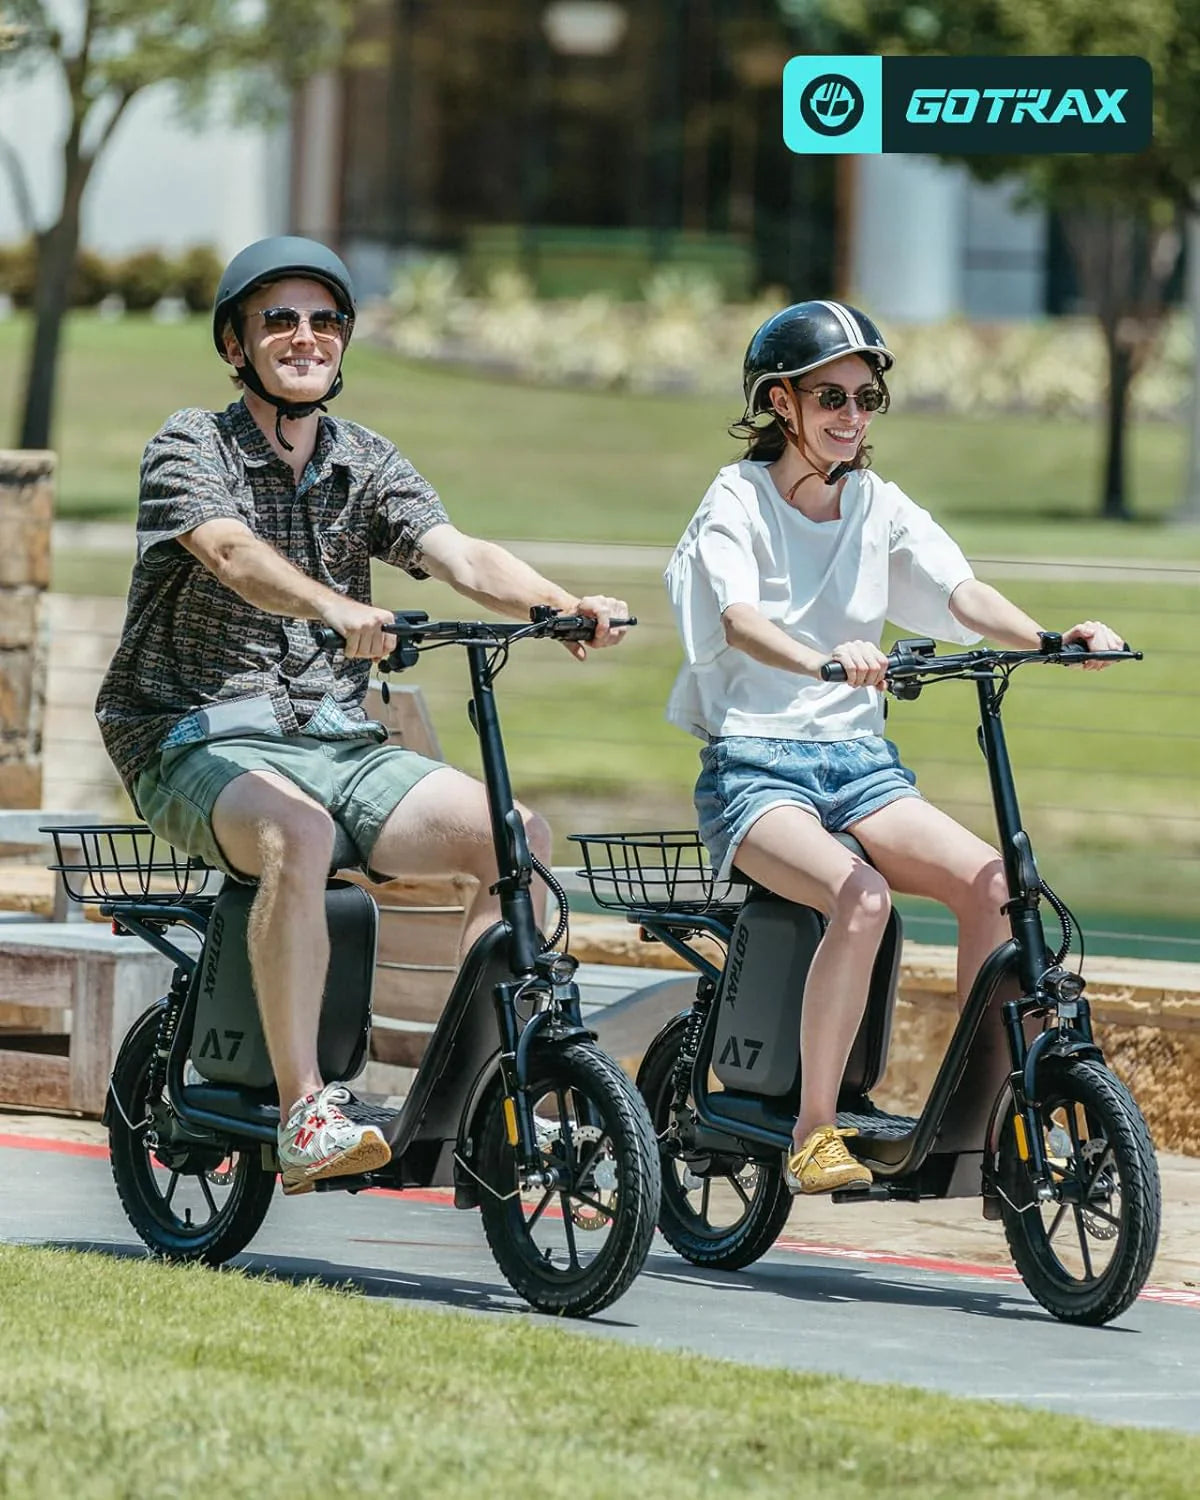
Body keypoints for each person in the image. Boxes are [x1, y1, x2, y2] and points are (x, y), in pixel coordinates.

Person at [96, 236, 628, 1195]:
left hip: (336, 738)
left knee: (520, 839)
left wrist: (559, 603)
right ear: (236, 344)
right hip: (190, 734)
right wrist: (334, 604)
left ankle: (481, 1094)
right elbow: (229, 554)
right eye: (281, 320)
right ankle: (305, 1110)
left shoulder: (364, 461)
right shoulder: (189, 444)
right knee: (298, 835)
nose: (307, 337)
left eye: (326, 320)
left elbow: (456, 553)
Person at [664, 299, 1124, 1195]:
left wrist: (1049, 640)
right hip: (755, 768)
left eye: (866, 398)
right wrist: (820, 660)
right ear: (780, 403)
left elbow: (959, 594)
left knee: (995, 882)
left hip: (859, 766)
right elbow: (737, 619)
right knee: (861, 897)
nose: (852, 415)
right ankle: (814, 1130)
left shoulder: (876, 502)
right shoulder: (736, 498)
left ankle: (997, 1114)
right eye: (830, 396)